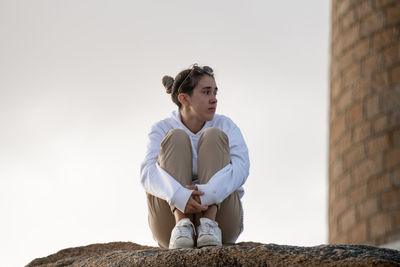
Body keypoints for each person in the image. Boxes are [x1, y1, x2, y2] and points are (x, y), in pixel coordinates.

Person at [140, 64, 250, 249]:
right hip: (170, 224)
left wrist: (207, 194)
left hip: (222, 222)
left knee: (213, 135)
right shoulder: (161, 128)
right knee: (175, 137)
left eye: (215, 92)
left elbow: (242, 168)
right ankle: (182, 224)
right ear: (184, 98)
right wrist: (180, 196)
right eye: (206, 92)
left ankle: (209, 225)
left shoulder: (226, 125)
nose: (214, 99)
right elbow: (147, 173)